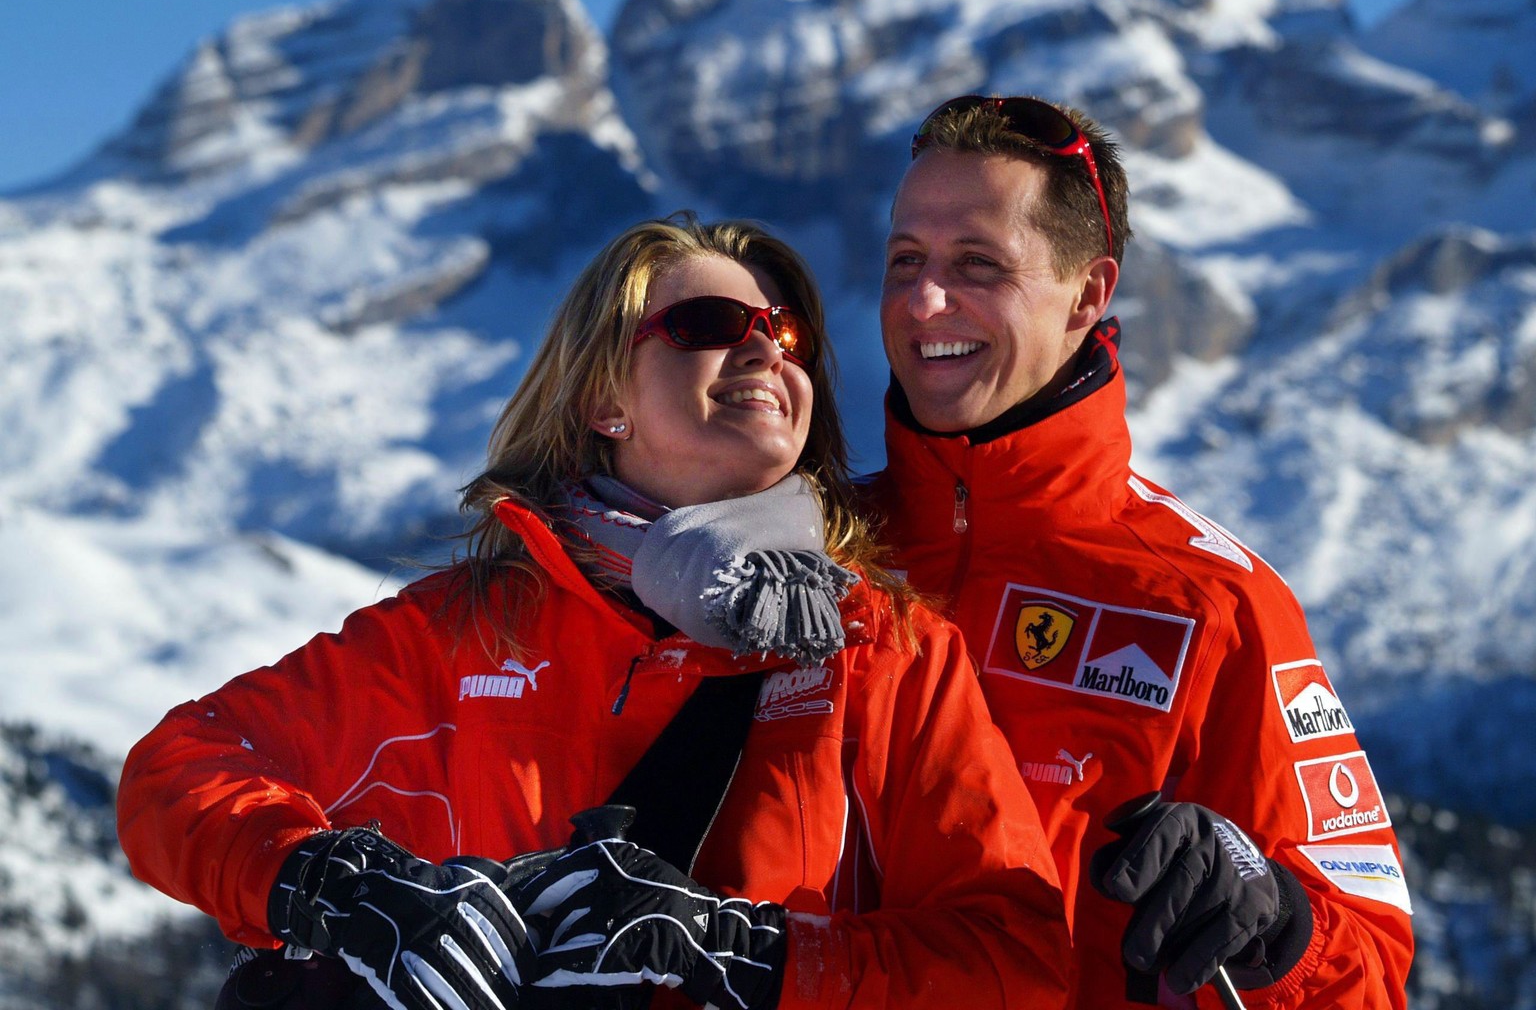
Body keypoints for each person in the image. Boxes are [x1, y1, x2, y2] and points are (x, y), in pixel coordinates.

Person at [118, 214, 1072, 1010]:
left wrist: (750, 954)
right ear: (603, 397)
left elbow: (1014, 956)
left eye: (786, 336)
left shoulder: (884, 649)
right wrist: (340, 886)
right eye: (707, 321)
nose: (759, 347)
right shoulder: (461, 632)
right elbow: (179, 771)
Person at [865, 96, 1415, 1008]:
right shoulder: (818, 548)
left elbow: (1371, 970)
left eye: (977, 265)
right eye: (905, 261)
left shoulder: (1213, 603)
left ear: (1089, 292)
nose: (925, 302)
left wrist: (1275, 920)